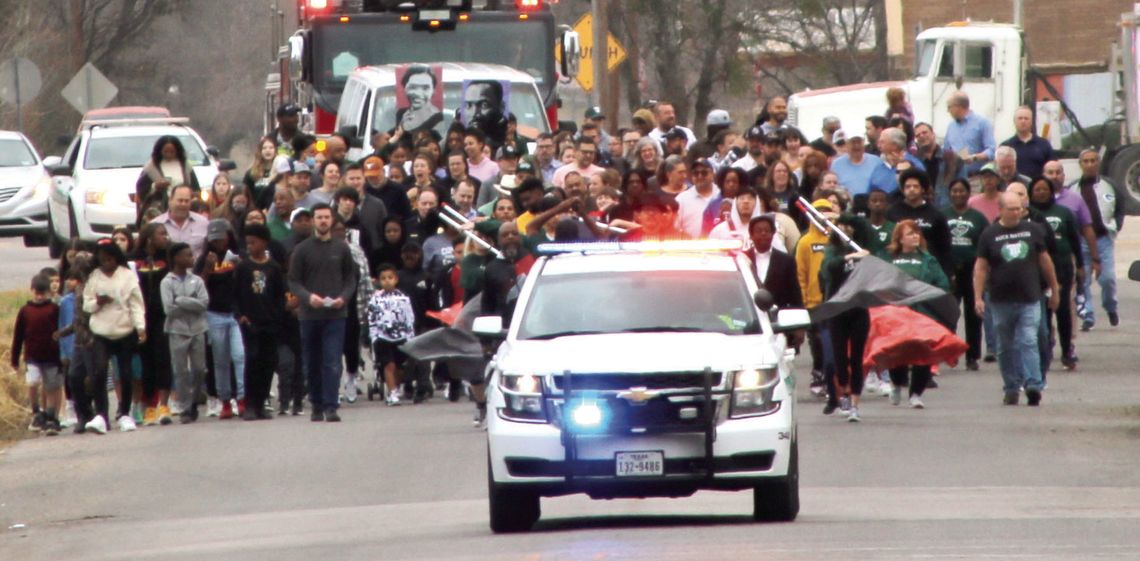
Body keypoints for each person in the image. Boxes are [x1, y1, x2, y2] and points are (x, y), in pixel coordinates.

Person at [975, 191, 1059, 406]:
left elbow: (1045, 260)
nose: (1016, 212)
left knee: (1028, 340)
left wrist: (1054, 289)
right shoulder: (989, 234)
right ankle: (1011, 386)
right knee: (1004, 345)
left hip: (1030, 297)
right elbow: (981, 268)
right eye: (1011, 209)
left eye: (1019, 208)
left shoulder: (1033, 230)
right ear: (1001, 210)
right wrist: (978, 297)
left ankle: (1033, 384)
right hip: (1000, 300)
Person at [288, 203, 358, 422]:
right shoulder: (302, 250)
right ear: (313, 221)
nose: (323, 221)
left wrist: (343, 298)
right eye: (319, 217)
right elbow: (293, 281)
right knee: (312, 360)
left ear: (332, 220)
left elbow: (350, 278)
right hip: (310, 315)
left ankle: (331, 405)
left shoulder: (342, 248)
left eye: (327, 217)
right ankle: (316, 404)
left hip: (336, 314)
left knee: (332, 360)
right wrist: (308, 297)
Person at [884, 220, 950, 409]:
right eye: (909, 233)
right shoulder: (889, 258)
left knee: (923, 353)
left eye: (916, 233)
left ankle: (916, 394)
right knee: (897, 353)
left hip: (923, 313)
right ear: (899, 238)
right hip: (897, 313)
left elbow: (942, 283)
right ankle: (896, 384)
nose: (914, 236)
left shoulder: (928, 260)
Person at [83, 240, 147, 434]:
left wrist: (140, 327)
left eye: (110, 260)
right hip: (101, 330)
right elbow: (86, 304)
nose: (106, 264)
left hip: (124, 330)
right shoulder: (94, 277)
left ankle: (125, 413)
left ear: (117, 258)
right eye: (102, 261)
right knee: (100, 370)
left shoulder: (127, 276)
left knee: (125, 372)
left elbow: (136, 303)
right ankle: (101, 415)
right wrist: (98, 303)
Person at [1028, 175, 1082, 372]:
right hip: (1037, 271)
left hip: (1062, 267)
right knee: (1043, 312)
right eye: (1037, 190)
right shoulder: (1029, 216)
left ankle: (1067, 350)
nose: (1041, 193)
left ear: (1051, 192)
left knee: (1063, 311)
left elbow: (1075, 240)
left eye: (1045, 189)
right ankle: (1045, 349)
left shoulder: (1063, 212)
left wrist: (1082, 266)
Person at [195, 219, 246, 419]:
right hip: (214, 313)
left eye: (222, 239)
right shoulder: (204, 258)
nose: (219, 244)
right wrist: (207, 268)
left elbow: (246, 281)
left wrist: (240, 266)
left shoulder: (237, 256)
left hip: (234, 314)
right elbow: (198, 288)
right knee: (220, 360)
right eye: (215, 240)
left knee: (239, 356)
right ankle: (225, 400)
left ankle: (242, 397)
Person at [234, 224, 286, 420]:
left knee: (268, 362)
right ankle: (249, 403)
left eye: (253, 242)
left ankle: (262, 401)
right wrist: (240, 315)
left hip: (270, 322)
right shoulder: (243, 267)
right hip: (250, 322)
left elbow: (280, 295)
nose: (250, 246)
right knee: (252, 361)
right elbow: (236, 295)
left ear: (264, 243)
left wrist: (278, 316)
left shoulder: (273, 268)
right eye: (247, 243)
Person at [1071, 149, 1120, 331]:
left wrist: (1115, 226)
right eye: (1086, 161)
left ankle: (1111, 307)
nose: (1090, 164)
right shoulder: (1073, 188)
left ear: (1098, 163)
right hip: (1081, 240)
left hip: (1103, 239)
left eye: (1093, 161)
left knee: (1107, 279)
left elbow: (1120, 207)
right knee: (1083, 280)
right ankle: (1088, 316)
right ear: (1081, 164)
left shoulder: (1109, 185)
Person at [160, 242, 209, 423]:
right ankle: (185, 406)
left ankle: (195, 399)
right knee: (180, 370)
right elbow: (169, 309)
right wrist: (191, 303)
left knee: (199, 369)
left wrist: (180, 300)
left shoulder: (197, 280)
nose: (192, 258)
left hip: (198, 328)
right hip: (177, 329)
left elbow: (203, 304)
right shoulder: (166, 282)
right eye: (187, 255)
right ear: (176, 258)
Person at [943, 178, 989, 371]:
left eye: (962, 191)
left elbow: (985, 245)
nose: (958, 194)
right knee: (949, 313)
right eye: (954, 191)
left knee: (973, 314)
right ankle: (950, 352)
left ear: (969, 193)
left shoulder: (978, 218)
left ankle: (972, 355)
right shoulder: (943, 215)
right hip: (950, 271)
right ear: (949, 194)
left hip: (972, 271)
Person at [133, 223, 174, 425]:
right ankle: (149, 406)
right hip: (141, 316)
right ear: (149, 237)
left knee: (163, 358)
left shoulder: (167, 257)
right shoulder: (134, 258)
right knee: (146, 361)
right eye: (161, 233)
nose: (165, 237)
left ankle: (164, 405)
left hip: (162, 316)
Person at [12, 274, 62, 435]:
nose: (39, 297)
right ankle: (36, 412)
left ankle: (51, 416)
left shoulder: (54, 309)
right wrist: (15, 358)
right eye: (37, 293)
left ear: (48, 292)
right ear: (31, 291)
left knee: (51, 386)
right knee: (32, 382)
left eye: (43, 293)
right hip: (32, 356)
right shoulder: (25, 311)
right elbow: (18, 336)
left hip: (52, 356)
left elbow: (60, 332)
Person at [795, 198, 835, 397]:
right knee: (817, 342)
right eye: (818, 212)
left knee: (833, 342)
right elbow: (800, 274)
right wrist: (802, 300)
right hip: (813, 302)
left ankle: (832, 378)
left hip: (834, 301)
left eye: (826, 212)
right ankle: (818, 373)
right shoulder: (805, 242)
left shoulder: (836, 240)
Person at [366, 264, 416, 407]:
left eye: (390, 278)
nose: (387, 281)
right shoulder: (375, 299)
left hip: (401, 336)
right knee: (389, 365)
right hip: (383, 337)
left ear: (396, 279)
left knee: (400, 366)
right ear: (379, 281)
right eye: (383, 278)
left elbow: (409, 317)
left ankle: (397, 386)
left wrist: (410, 335)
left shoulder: (403, 298)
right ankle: (392, 392)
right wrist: (373, 335)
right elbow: (372, 317)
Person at [887, 169, 953, 277]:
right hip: (899, 269)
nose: (911, 189)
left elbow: (944, 246)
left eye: (915, 186)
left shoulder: (936, 214)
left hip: (927, 270)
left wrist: (948, 272)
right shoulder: (892, 212)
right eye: (908, 186)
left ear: (923, 189)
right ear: (903, 190)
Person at [136, 136, 200, 226]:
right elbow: (141, 189)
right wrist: (155, 186)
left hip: (184, 208)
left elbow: (195, 188)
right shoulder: (151, 168)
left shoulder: (185, 166)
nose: (169, 154)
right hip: (160, 210)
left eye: (172, 152)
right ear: (160, 151)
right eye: (166, 152)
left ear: (177, 151)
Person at [745, 214, 802, 310]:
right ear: (751, 235)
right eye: (759, 231)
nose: (763, 233)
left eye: (767, 231)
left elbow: (795, 295)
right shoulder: (743, 258)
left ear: (773, 233)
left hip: (779, 318)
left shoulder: (786, 261)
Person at [152, 184, 209, 262]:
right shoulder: (156, 224)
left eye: (186, 201)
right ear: (170, 201)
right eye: (180, 200)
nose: (183, 204)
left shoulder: (203, 223)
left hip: (197, 271)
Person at [944, 91, 996, 177]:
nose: (948, 111)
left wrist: (974, 157)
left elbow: (991, 151)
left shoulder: (982, 123)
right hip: (955, 178)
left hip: (977, 177)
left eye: (949, 107)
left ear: (958, 106)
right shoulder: (951, 126)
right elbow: (946, 150)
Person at [1001, 106, 1054, 179]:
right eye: (1020, 118)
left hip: (1037, 189)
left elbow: (1052, 169)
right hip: (1014, 188)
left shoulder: (1044, 144)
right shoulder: (1005, 146)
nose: (1023, 121)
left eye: (1026, 118)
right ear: (1014, 121)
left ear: (1032, 122)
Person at [675, 157, 720, 238]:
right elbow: (675, 228)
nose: (700, 176)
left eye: (704, 173)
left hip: (721, 247)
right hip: (692, 248)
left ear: (712, 174)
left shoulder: (722, 195)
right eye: (696, 173)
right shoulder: (681, 200)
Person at [397, 64, 443, 133]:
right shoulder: (401, 114)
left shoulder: (439, 119)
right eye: (413, 87)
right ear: (405, 89)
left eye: (425, 88)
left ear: (433, 91)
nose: (418, 93)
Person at [463, 80, 508, 146]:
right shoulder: (459, 141)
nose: (474, 113)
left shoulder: (508, 141)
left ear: (501, 107)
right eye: (469, 105)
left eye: (484, 105)